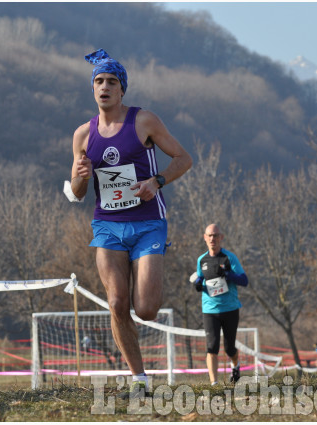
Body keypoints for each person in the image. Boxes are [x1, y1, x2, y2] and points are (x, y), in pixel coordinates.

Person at [69, 49, 192, 396]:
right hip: (107, 225)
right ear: (92, 90)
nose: (104, 87)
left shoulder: (144, 121)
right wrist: (80, 176)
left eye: (111, 81)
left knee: (147, 309)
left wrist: (157, 181)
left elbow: (184, 159)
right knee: (117, 303)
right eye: (98, 82)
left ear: (122, 89)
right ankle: (140, 379)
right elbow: (78, 193)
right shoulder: (82, 135)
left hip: (148, 223)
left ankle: (141, 362)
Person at [191, 223, 248, 386]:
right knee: (212, 346)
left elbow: (244, 280)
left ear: (221, 237)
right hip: (210, 309)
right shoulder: (201, 260)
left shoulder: (229, 258)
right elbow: (200, 278)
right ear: (204, 238)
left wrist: (229, 274)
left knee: (230, 348)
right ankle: (214, 383)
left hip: (230, 308)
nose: (212, 239)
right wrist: (197, 284)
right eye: (209, 235)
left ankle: (235, 366)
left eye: (215, 235)